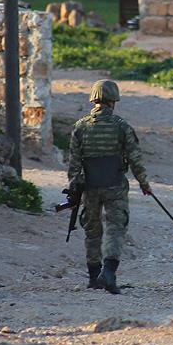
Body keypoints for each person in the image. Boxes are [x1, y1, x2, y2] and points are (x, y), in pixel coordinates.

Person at [67, 80, 151, 294]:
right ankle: (109, 272)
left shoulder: (81, 126)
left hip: (90, 187)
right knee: (115, 228)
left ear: (94, 99)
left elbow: (74, 162)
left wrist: (74, 186)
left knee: (92, 231)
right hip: (115, 185)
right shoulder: (121, 126)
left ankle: (94, 277)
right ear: (113, 100)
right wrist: (144, 183)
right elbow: (135, 158)